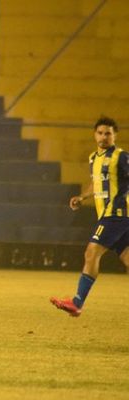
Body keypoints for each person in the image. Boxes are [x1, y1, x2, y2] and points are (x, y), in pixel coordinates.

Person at [51, 116, 129, 316]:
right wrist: (82, 197)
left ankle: (77, 302)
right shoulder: (94, 158)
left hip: (116, 214)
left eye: (108, 133)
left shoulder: (121, 157)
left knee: (91, 252)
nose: (104, 137)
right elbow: (96, 183)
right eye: (101, 133)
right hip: (114, 217)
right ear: (95, 134)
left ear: (115, 136)